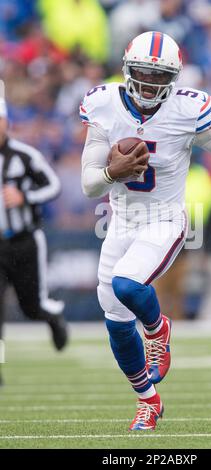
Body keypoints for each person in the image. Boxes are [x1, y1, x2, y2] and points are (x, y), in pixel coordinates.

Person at [80, 31, 211, 431]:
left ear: (174, 79)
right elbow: (90, 184)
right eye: (142, 73)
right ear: (127, 69)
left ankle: (159, 330)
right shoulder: (103, 103)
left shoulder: (188, 110)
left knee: (127, 285)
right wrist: (113, 172)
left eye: (159, 76)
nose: (149, 83)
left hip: (165, 218)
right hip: (120, 220)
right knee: (114, 316)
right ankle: (148, 401)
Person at [0, 94, 68, 386]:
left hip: (24, 241)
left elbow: (54, 186)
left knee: (31, 307)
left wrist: (24, 197)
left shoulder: (24, 156)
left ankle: (53, 318)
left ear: (6, 123)